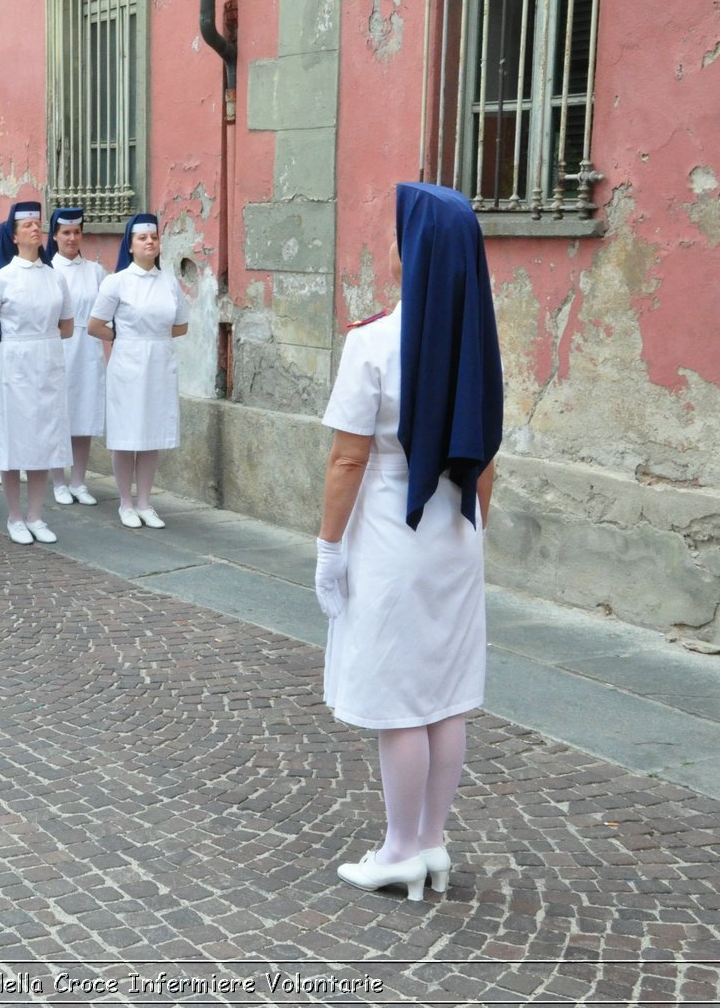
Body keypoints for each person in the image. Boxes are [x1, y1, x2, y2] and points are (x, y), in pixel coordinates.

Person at [315, 182, 503, 901]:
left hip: (392, 533)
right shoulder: (477, 344)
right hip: (455, 532)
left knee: (399, 697)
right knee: (444, 697)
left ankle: (399, 848)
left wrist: (329, 548)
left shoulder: (371, 343)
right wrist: (470, 529)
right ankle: (431, 839)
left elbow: (347, 460)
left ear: (412, 253)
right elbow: (486, 459)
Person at [0, 200, 73, 545]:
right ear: (13, 236)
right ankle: (15, 516)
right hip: (15, 360)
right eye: (27, 225)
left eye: (38, 224)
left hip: (48, 359)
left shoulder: (55, 277)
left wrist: (42, 345)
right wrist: (11, 345)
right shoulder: (0, 279)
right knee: (15, 439)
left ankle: (36, 515)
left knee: (44, 438)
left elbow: (68, 325)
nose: (35, 228)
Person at [87, 214, 190, 529]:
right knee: (127, 433)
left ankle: (145, 502)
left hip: (159, 361)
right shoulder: (116, 282)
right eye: (142, 238)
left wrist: (153, 342)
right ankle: (125, 503)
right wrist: (127, 340)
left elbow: (181, 325)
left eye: (154, 238)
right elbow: (95, 325)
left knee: (151, 433)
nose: (149, 243)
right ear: (130, 245)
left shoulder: (169, 282)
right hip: (128, 362)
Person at [47, 207, 106, 505]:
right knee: (59, 415)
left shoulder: (95, 271)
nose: (72, 238)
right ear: (55, 235)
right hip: (58, 345)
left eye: (77, 232)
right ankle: (58, 480)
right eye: (66, 232)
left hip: (88, 347)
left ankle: (79, 480)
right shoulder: (48, 271)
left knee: (84, 414)